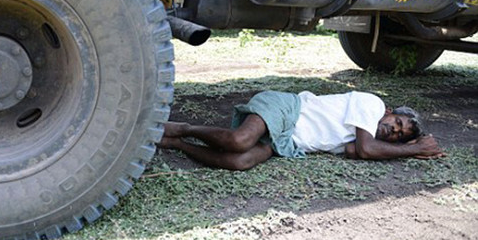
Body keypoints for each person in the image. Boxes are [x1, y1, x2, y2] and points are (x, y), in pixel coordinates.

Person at [158, 90, 445, 171]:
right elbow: (367, 149)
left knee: (240, 160)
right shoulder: (372, 104)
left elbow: (356, 152)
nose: (392, 131)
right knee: (239, 140)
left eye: (399, 135)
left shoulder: (359, 138)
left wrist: (408, 150)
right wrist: (414, 148)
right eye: (397, 123)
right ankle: (184, 128)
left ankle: (178, 145)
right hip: (286, 109)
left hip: (287, 141)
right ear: (390, 112)